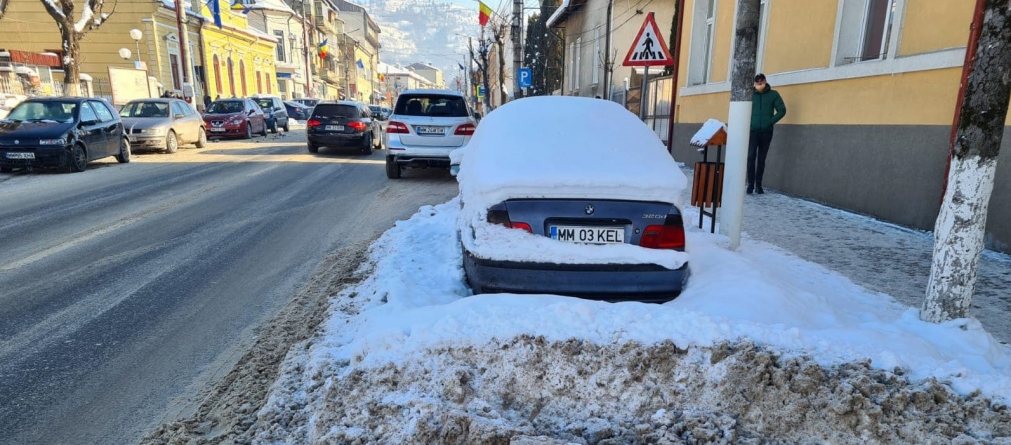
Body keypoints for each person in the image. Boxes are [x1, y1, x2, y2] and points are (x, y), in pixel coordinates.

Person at [747, 73, 786, 195]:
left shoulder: (773, 95)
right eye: (757, 82)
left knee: (761, 159)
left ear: (765, 81)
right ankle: (750, 185)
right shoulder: (751, 95)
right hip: (753, 131)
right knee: (751, 157)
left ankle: (759, 185)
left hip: (766, 132)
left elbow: (782, 110)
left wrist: (770, 121)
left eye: (761, 82)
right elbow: (744, 110)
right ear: (754, 83)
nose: (759, 84)